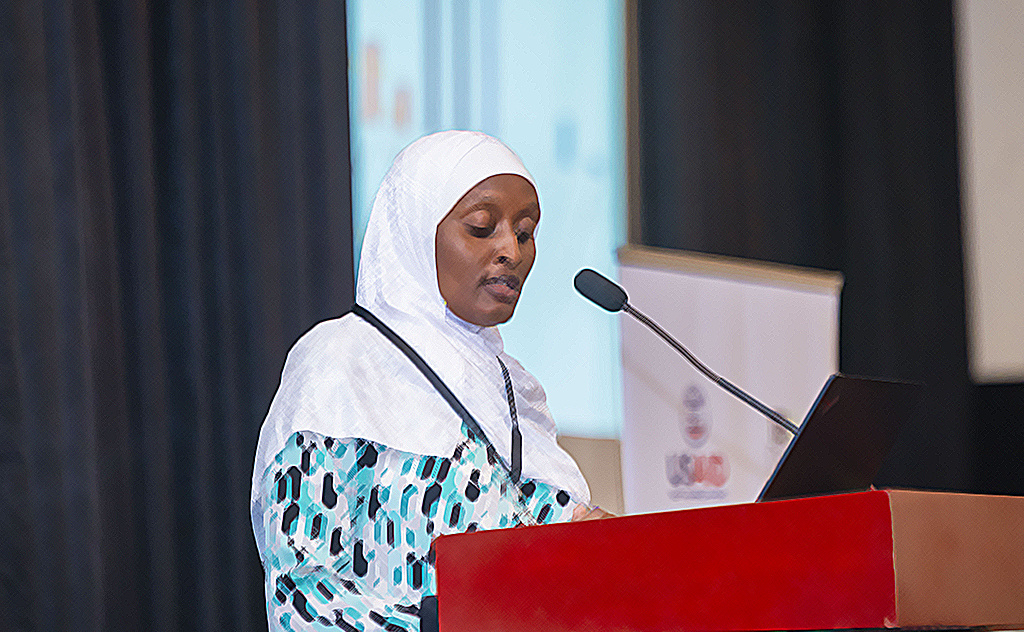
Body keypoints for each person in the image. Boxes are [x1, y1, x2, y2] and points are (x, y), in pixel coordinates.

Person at [251, 130, 608, 631]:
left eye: (525, 232)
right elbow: (302, 594)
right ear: (416, 231)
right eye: (483, 227)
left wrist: (609, 549)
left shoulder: (514, 393)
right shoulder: (341, 362)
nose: (512, 250)